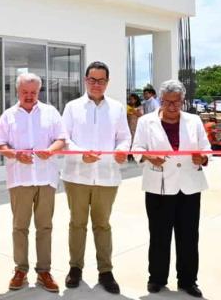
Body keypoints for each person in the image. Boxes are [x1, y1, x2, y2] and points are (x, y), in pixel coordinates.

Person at [131, 80, 209, 298]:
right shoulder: (147, 121)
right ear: (161, 100)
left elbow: (206, 148)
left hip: (189, 186)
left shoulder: (193, 121)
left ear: (183, 101)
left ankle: (188, 280)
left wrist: (202, 157)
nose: (173, 106)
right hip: (159, 186)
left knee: (189, 236)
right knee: (158, 235)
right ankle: (156, 278)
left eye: (177, 102)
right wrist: (148, 156)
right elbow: (136, 148)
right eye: (168, 102)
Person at [60, 61, 132, 294]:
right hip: (76, 175)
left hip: (106, 175)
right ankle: (75, 268)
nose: (97, 84)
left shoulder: (117, 108)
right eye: (92, 80)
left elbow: (124, 137)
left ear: (107, 82)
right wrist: (82, 154)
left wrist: (122, 150)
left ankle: (105, 270)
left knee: (102, 225)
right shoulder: (72, 107)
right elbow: (64, 138)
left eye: (101, 80)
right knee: (77, 224)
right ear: (85, 80)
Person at [0, 74, 66, 292]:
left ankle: (44, 270)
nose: (29, 96)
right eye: (25, 92)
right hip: (19, 179)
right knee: (20, 227)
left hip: (46, 178)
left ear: (39, 91)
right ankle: (21, 270)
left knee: (44, 227)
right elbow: (0, 145)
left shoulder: (50, 112)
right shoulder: (8, 116)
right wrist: (16, 154)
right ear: (17, 91)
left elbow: (61, 139)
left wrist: (50, 150)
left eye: (33, 93)